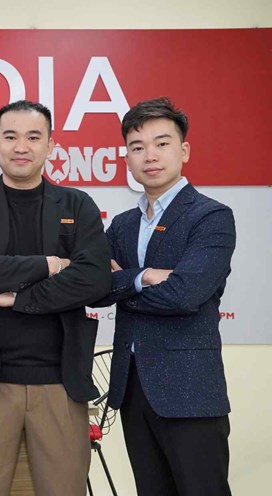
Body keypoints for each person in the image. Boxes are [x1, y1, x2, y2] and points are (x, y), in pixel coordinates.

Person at [0, 100, 111, 496]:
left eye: (33, 137)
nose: (21, 146)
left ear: (50, 145)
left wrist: (18, 300)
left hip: (61, 383)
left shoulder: (77, 205)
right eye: (10, 136)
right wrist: (50, 264)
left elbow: (93, 280)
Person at [93, 97, 235, 495]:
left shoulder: (211, 216)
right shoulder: (122, 224)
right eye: (137, 147)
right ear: (127, 157)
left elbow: (185, 295)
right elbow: (94, 287)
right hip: (133, 389)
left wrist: (125, 281)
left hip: (190, 391)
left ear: (184, 150)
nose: (150, 156)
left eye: (162, 143)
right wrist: (146, 277)